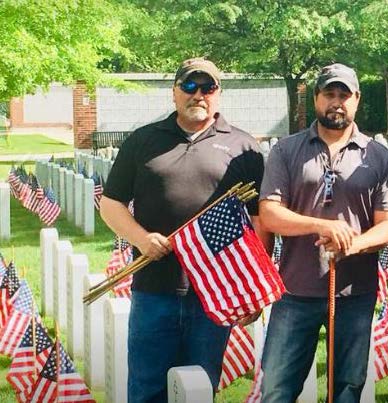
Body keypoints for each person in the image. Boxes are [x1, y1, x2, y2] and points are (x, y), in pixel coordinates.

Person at [100, 57, 267, 402]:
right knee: (147, 388)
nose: (198, 95)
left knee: (201, 388)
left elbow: (259, 221)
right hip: (154, 290)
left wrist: (252, 291)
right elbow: (111, 203)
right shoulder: (143, 141)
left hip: (215, 294)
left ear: (218, 94)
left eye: (207, 87)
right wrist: (141, 239)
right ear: (174, 93)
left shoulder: (244, 147)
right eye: (189, 86)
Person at [258, 63, 388, 402]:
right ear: (317, 98)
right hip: (294, 290)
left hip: (355, 293)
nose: (336, 101)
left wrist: (353, 243)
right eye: (329, 94)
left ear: (357, 100)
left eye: (344, 95)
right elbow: (270, 214)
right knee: (277, 388)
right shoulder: (286, 150)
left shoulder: (378, 156)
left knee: (347, 389)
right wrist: (321, 225)